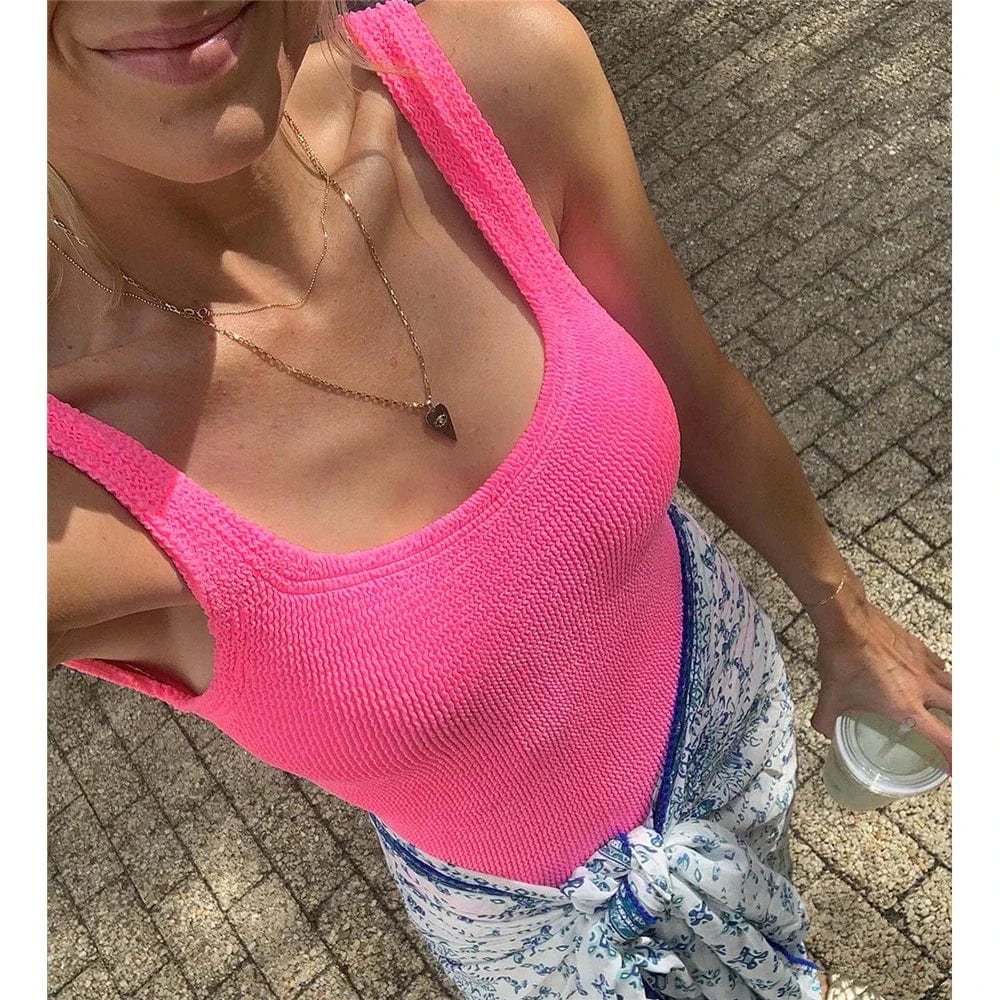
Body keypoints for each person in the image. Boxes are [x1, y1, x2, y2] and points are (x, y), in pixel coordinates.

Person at [47, 1, 952, 998]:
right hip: (544, 948)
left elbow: (697, 387)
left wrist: (846, 616)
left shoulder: (494, 73)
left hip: (736, 733)